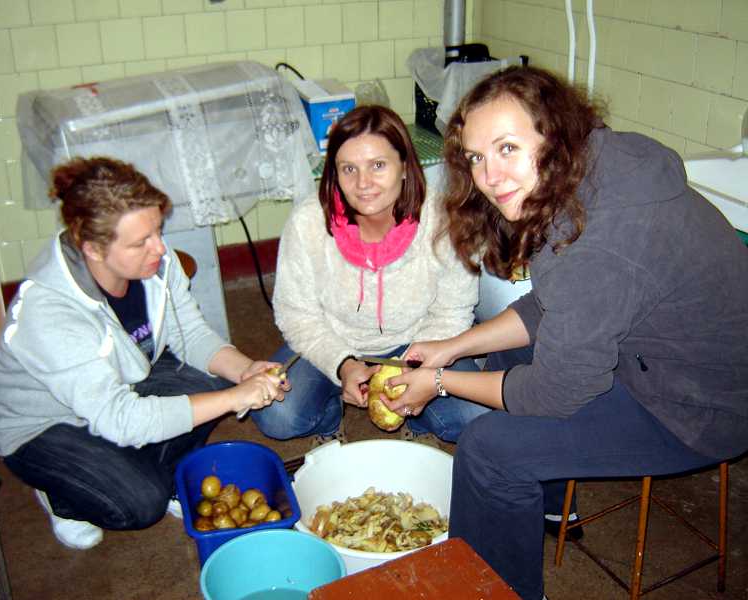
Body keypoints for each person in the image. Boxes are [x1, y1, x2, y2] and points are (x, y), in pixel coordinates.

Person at [387, 66, 748, 600]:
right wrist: (455, 346)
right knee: (509, 362)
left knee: (487, 451)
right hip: (663, 356)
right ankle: (551, 500)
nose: (489, 176)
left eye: (507, 148)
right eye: (476, 157)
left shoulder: (601, 241)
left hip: (701, 406)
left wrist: (440, 382)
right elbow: (557, 304)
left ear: (553, 133)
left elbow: (554, 391)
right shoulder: (597, 167)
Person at [0, 157, 287, 550]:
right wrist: (234, 398)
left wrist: (245, 371)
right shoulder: (49, 312)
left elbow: (192, 335)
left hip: (119, 382)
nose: (160, 247)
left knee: (213, 379)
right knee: (141, 502)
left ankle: (134, 465)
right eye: (141, 241)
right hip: (42, 425)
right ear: (93, 248)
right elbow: (121, 419)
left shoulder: (156, 262)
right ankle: (63, 496)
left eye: (158, 230)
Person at [251, 105, 485, 445]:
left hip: (419, 342)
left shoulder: (446, 221)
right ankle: (329, 419)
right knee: (277, 414)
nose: (363, 184)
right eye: (349, 169)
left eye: (378, 165)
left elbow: (454, 311)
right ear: (334, 174)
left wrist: (413, 369)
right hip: (334, 338)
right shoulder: (307, 223)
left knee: (477, 416)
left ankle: (418, 421)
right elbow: (295, 314)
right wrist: (343, 364)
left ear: (404, 166)